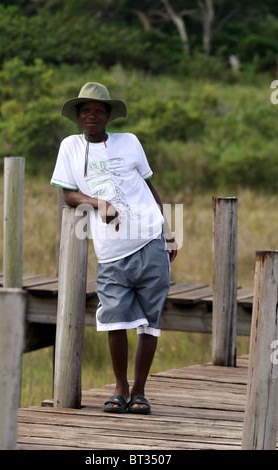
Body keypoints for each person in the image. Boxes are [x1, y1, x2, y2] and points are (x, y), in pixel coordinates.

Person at [51, 82, 178, 414]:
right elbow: (68, 194)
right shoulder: (71, 147)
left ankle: (139, 391)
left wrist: (168, 232)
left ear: (108, 116)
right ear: (78, 116)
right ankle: (119, 388)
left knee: (150, 321)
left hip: (150, 240)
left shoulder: (130, 142)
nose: (92, 115)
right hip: (111, 251)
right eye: (86, 111)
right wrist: (97, 203)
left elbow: (149, 187)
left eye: (98, 110)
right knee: (115, 319)